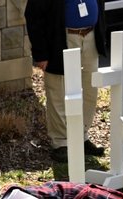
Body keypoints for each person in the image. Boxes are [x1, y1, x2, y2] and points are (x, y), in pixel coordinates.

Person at [24, 0, 109, 163]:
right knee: (58, 91)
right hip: (62, 39)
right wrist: (41, 53)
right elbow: (33, 15)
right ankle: (61, 142)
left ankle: (81, 136)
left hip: (90, 37)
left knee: (90, 89)